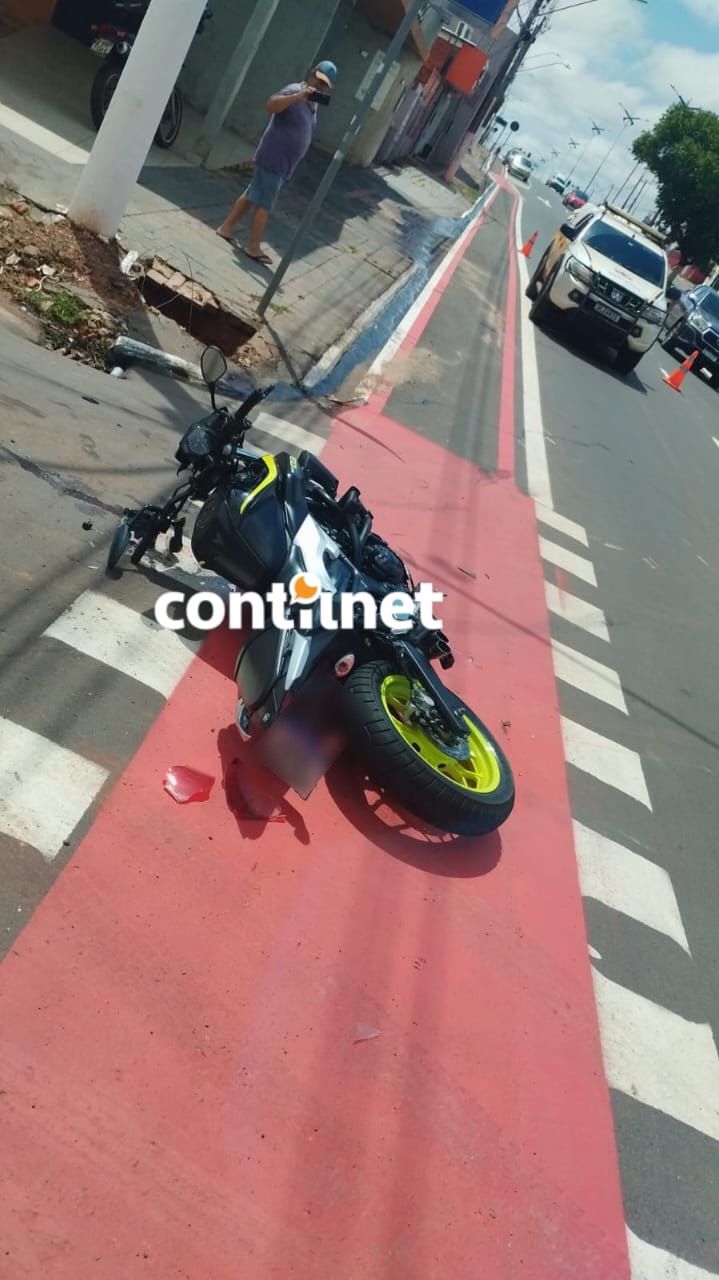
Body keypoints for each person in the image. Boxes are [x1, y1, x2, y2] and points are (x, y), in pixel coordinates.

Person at [217, 60, 338, 266]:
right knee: (264, 202)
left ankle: (226, 228)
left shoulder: (312, 104)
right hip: (274, 157)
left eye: (324, 85)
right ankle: (253, 246)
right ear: (311, 74)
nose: (319, 86)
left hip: (281, 162)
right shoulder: (295, 91)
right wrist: (297, 97)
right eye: (318, 80)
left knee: (252, 194)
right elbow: (271, 105)